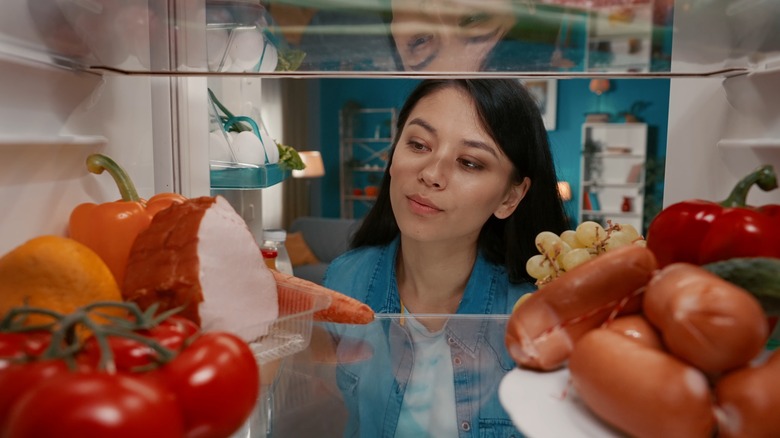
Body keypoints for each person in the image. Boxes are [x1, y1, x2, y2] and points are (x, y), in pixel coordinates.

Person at [322, 78, 569, 437]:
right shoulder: (346, 279)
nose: (431, 174)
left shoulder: (536, 310)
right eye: (418, 144)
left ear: (510, 198)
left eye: (469, 162)